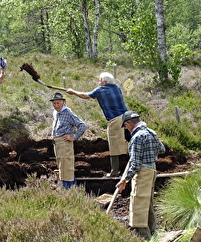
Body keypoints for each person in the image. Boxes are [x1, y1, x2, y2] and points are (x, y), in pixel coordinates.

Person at [66, 72, 128, 177]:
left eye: (100, 80)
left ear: (104, 82)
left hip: (115, 120)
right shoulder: (116, 88)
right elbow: (102, 97)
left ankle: (114, 172)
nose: (99, 82)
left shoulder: (100, 90)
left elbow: (85, 96)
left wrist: (73, 92)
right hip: (127, 117)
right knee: (128, 141)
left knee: (114, 145)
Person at [116, 111, 165, 240]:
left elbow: (136, 165)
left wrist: (125, 180)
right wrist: (149, 151)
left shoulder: (137, 137)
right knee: (147, 203)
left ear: (128, 124)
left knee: (138, 205)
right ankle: (153, 233)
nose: (126, 128)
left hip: (143, 174)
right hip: (152, 171)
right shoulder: (151, 132)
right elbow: (162, 149)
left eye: (125, 126)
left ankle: (144, 237)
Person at [50, 92, 87, 189]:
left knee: (67, 166)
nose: (56, 105)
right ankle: (67, 187)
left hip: (65, 142)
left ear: (63, 103)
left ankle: (68, 188)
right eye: (54, 103)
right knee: (61, 166)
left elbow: (82, 125)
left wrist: (74, 137)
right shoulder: (55, 112)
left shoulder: (68, 112)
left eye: (58, 103)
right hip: (57, 142)